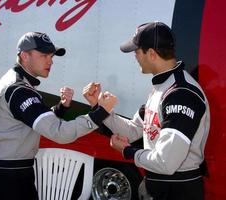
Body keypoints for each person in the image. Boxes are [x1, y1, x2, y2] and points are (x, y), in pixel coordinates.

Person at [83, 22, 210, 200]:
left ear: (151, 53)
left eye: (136, 51)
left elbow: (166, 162)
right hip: (158, 186)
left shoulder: (180, 94)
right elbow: (133, 130)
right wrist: (99, 108)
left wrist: (127, 151)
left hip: (177, 190)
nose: (135, 56)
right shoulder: (162, 86)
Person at [0, 32, 117, 200]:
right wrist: (100, 112)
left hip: (10, 171)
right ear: (25, 56)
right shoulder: (19, 90)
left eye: (52, 55)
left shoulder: (18, 81)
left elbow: (30, 121)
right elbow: (60, 133)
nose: (51, 61)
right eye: (44, 55)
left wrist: (61, 108)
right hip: (9, 176)